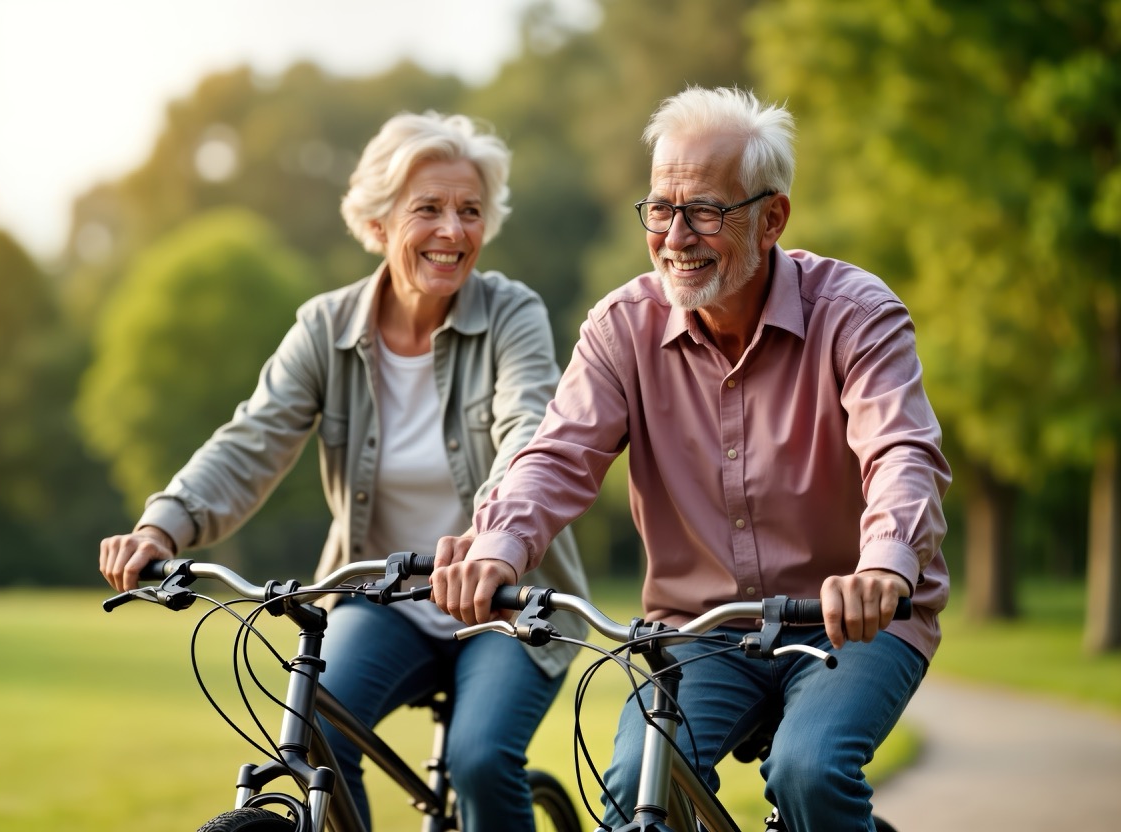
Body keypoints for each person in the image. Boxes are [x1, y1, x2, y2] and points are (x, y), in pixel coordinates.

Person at [431, 86, 951, 832]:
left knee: (810, 770)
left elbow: (900, 450)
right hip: (703, 632)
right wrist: (498, 547)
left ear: (772, 218)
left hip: (856, 622)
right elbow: (556, 454)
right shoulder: (623, 328)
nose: (676, 235)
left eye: (704, 210)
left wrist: (883, 566)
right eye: (660, 208)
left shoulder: (856, 314)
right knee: (631, 792)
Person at [99, 110, 589, 831]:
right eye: (429, 209)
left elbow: (527, 433)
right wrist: (163, 525)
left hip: (507, 603)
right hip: (383, 598)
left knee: (482, 760)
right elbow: (252, 439)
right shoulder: (325, 328)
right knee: (318, 727)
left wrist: (491, 547)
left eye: (470, 211)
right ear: (379, 221)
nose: (453, 231)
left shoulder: (512, 314)